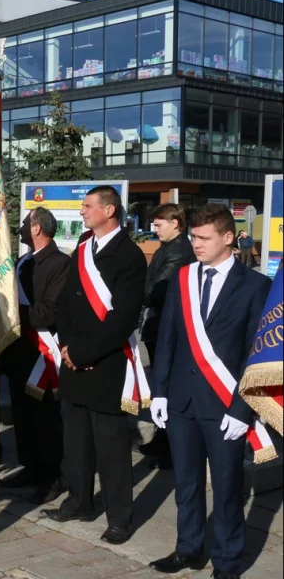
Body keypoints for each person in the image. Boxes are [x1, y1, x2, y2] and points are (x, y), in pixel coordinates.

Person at [148, 204, 272, 579]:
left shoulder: (255, 286)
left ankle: (227, 561)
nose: (196, 244)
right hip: (182, 401)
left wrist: (242, 410)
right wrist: (160, 391)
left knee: (227, 487)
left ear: (228, 237)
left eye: (203, 238)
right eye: (193, 237)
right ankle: (188, 549)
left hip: (225, 404)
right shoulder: (183, 278)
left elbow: (255, 353)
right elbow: (167, 337)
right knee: (185, 483)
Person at [45, 185, 146, 546]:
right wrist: (68, 348)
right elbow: (65, 303)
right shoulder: (83, 248)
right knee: (76, 441)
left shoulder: (130, 256)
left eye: (88, 205)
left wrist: (85, 353)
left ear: (109, 210)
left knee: (112, 447)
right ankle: (80, 501)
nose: (82, 211)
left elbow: (123, 318)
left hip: (106, 363)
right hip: (74, 360)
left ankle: (119, 518)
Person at [0, 208, 70, 504]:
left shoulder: (60, 263)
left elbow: (52, 311)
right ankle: (30, 466)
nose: (20, 229)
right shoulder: (23, 262)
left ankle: (52, 476)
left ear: (38, 228)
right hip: (20, 350)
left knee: (45, 419)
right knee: (22, 414)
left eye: (25, 224)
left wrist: (11, 312)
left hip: (43, 352)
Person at [139, 204, 196, 469]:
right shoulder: (166, 248)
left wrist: (136, 290)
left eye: (159, 223)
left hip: (167, 326)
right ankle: (161, 440)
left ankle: (170, 448)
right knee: (160, 385)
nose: (155, 228)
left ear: (175, 223)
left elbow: (156, 291)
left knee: (168, 387)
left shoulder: (180, 251)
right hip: (157, 325)